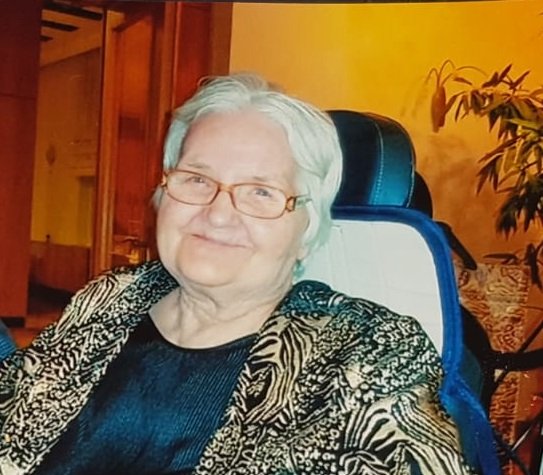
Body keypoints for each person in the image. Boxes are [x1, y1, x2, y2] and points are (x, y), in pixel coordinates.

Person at [0, 73, 473, 474]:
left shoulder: (369, 350)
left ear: (307, 230)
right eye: (196, 179)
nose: (218, 213)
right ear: (163, 194)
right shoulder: (110, 295)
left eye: (261, 192)